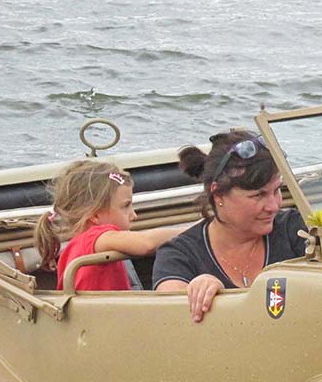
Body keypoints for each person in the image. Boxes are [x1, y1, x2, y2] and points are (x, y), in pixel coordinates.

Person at [152, 129, 306, 323]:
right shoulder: (179, 255)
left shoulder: (298, 229)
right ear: (218, 195)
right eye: (258, 195)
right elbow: (169, 312)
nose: (274, 206)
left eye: (276, 190)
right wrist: (199, 289)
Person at [34, 160, 182, 291]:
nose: (133, 215)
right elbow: (146, 243)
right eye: (126, 206)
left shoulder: (77, 245)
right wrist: (195, 231)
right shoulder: (97, 237)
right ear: (95, 215)